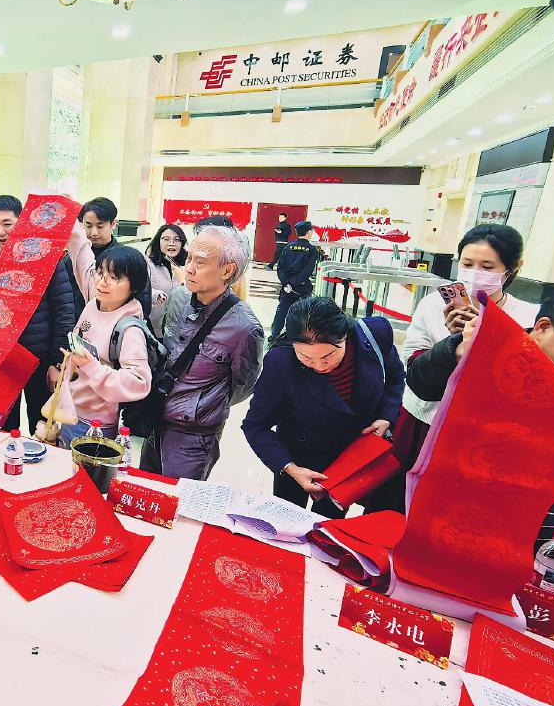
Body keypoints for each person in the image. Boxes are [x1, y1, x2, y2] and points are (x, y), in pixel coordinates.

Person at [406, 283, 554, 547]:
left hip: (548, 529)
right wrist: (457, 352)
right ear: (544, 328)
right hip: (460, 510)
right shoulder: (493, 347)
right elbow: (421, 384)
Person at [385, 224, 540, 511]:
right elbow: (414, 367)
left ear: (513, 268)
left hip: (483, 436)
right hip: (425, 422)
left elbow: (526, 383)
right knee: (400, 504)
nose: (475, 273)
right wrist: (453, 344)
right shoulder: (432, 305)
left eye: (487, 266)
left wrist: (486, 337)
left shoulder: (529, 317)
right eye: (467, 264)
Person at [243, 297, 405, 518]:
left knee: (328, 527)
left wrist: (386, 415)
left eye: (328, 356)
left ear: (345, 336)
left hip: (348, 461)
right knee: (286, 521)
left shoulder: (374, 335)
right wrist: (290, 468)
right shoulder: (281, 362)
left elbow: (395, 377)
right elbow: (255, 425)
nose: (320, 365)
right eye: (306, 358)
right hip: (298, 458)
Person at [146, 225, 263, 481]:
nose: (188, 268)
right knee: (143, 491)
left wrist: (203, 404)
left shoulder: (244, 327)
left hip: (194, 435)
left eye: (199, 262)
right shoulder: (179, 298)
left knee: (178, 499)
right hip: (156, 417)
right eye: (189, 258)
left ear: (227, 270)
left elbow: (243, 386)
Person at [0, 195, 77, 433]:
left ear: (22, 223)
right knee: (2, 426)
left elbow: (64, 311)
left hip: (39, 358)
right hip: (0, 361)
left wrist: (56, 363)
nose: (0, 232)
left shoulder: (46, 259)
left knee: (42, 425)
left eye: (7, 224)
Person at [51, 245, 153, 447]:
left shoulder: (129, 329)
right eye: (99, 273)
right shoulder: (94, 303)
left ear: (134, 286)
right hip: (69, 410)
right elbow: (81, 254)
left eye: (114, 277)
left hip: (94, 424)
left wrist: (92, 367)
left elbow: (140, 382)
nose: (102, 282)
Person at [71, 197, 152, 319]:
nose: (93, 232)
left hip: (115, 323)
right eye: (88, 226)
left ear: (113, 224)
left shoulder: (127, 259)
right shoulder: (72, 259)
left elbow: (143, 300)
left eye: (100, 226)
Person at [270, 219, 322, 341]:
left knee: (282, 311)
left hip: (287, 287)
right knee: (302, 314)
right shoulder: (312, 250)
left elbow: (281, 267)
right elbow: (307, 270)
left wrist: (286, 282)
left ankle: (274, 336)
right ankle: (297, 338)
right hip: (302, 286)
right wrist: (295, 282)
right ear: (308, 232)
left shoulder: (288, 247)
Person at [144, 224, 188, 335]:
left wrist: (183, 281)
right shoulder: (148, 264)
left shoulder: (188, 266)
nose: (171, 243)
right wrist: (155, 295)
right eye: (166, 239)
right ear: (158, 241)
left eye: (176, 240)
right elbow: (142, 289)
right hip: (153, 327)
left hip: (180, 328)